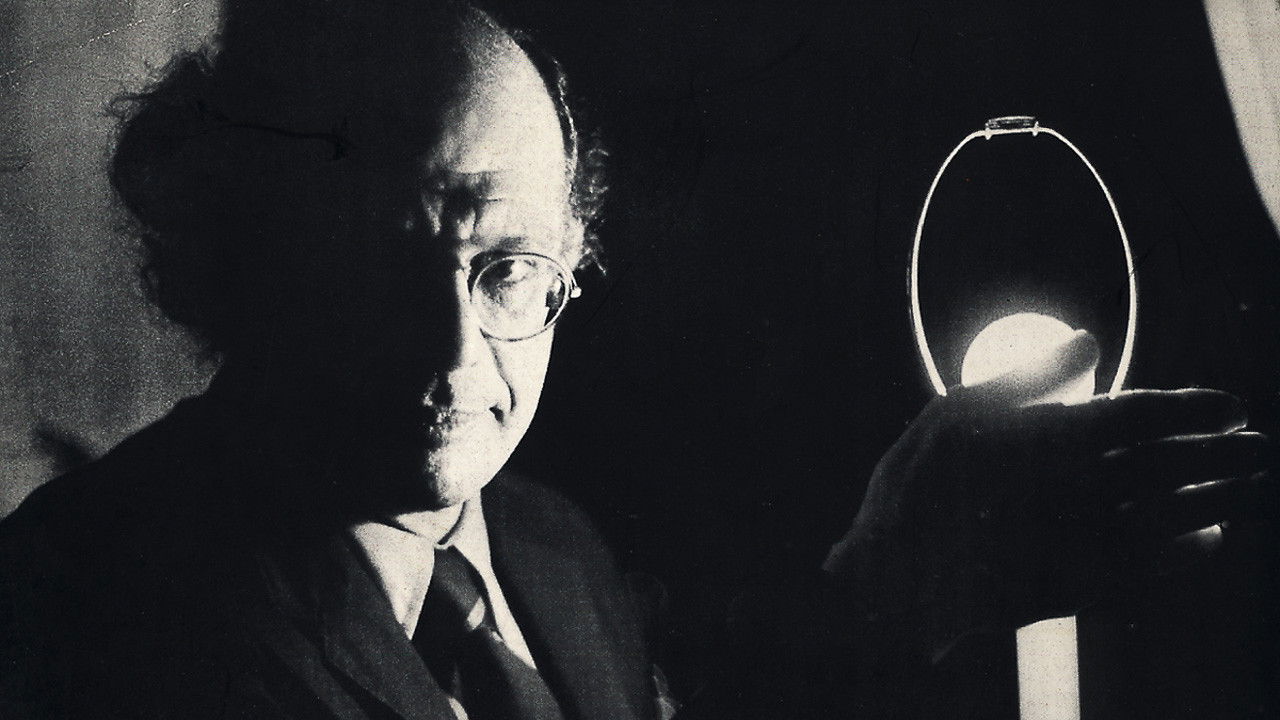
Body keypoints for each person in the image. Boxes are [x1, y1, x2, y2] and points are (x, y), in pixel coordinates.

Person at [0, 1, 1270, 718]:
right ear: (239, 256)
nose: (451, 352)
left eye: (509, 272)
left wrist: (901, 582)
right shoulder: (81, 603)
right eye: (375, 268)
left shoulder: (548, 549)